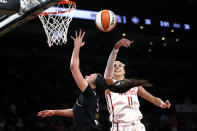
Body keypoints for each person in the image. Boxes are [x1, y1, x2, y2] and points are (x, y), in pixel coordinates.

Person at [37, 30, 133, 131]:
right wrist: (54, 112)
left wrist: (76, 47)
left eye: (90, 76)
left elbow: (73, 67)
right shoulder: (89, 97)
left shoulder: (90, 94)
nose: (86, 75)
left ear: (93, 86)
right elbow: (76, 112)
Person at [104, 38, 171, 131]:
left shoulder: (134, 85)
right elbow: (107, 74)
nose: (117, 67)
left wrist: (162, 104)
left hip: (138, 126)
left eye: (120, 65)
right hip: (121, 127)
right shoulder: (109, 84)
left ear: (124, 70)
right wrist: (116, 48)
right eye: (114, 66)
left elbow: (153, 98)